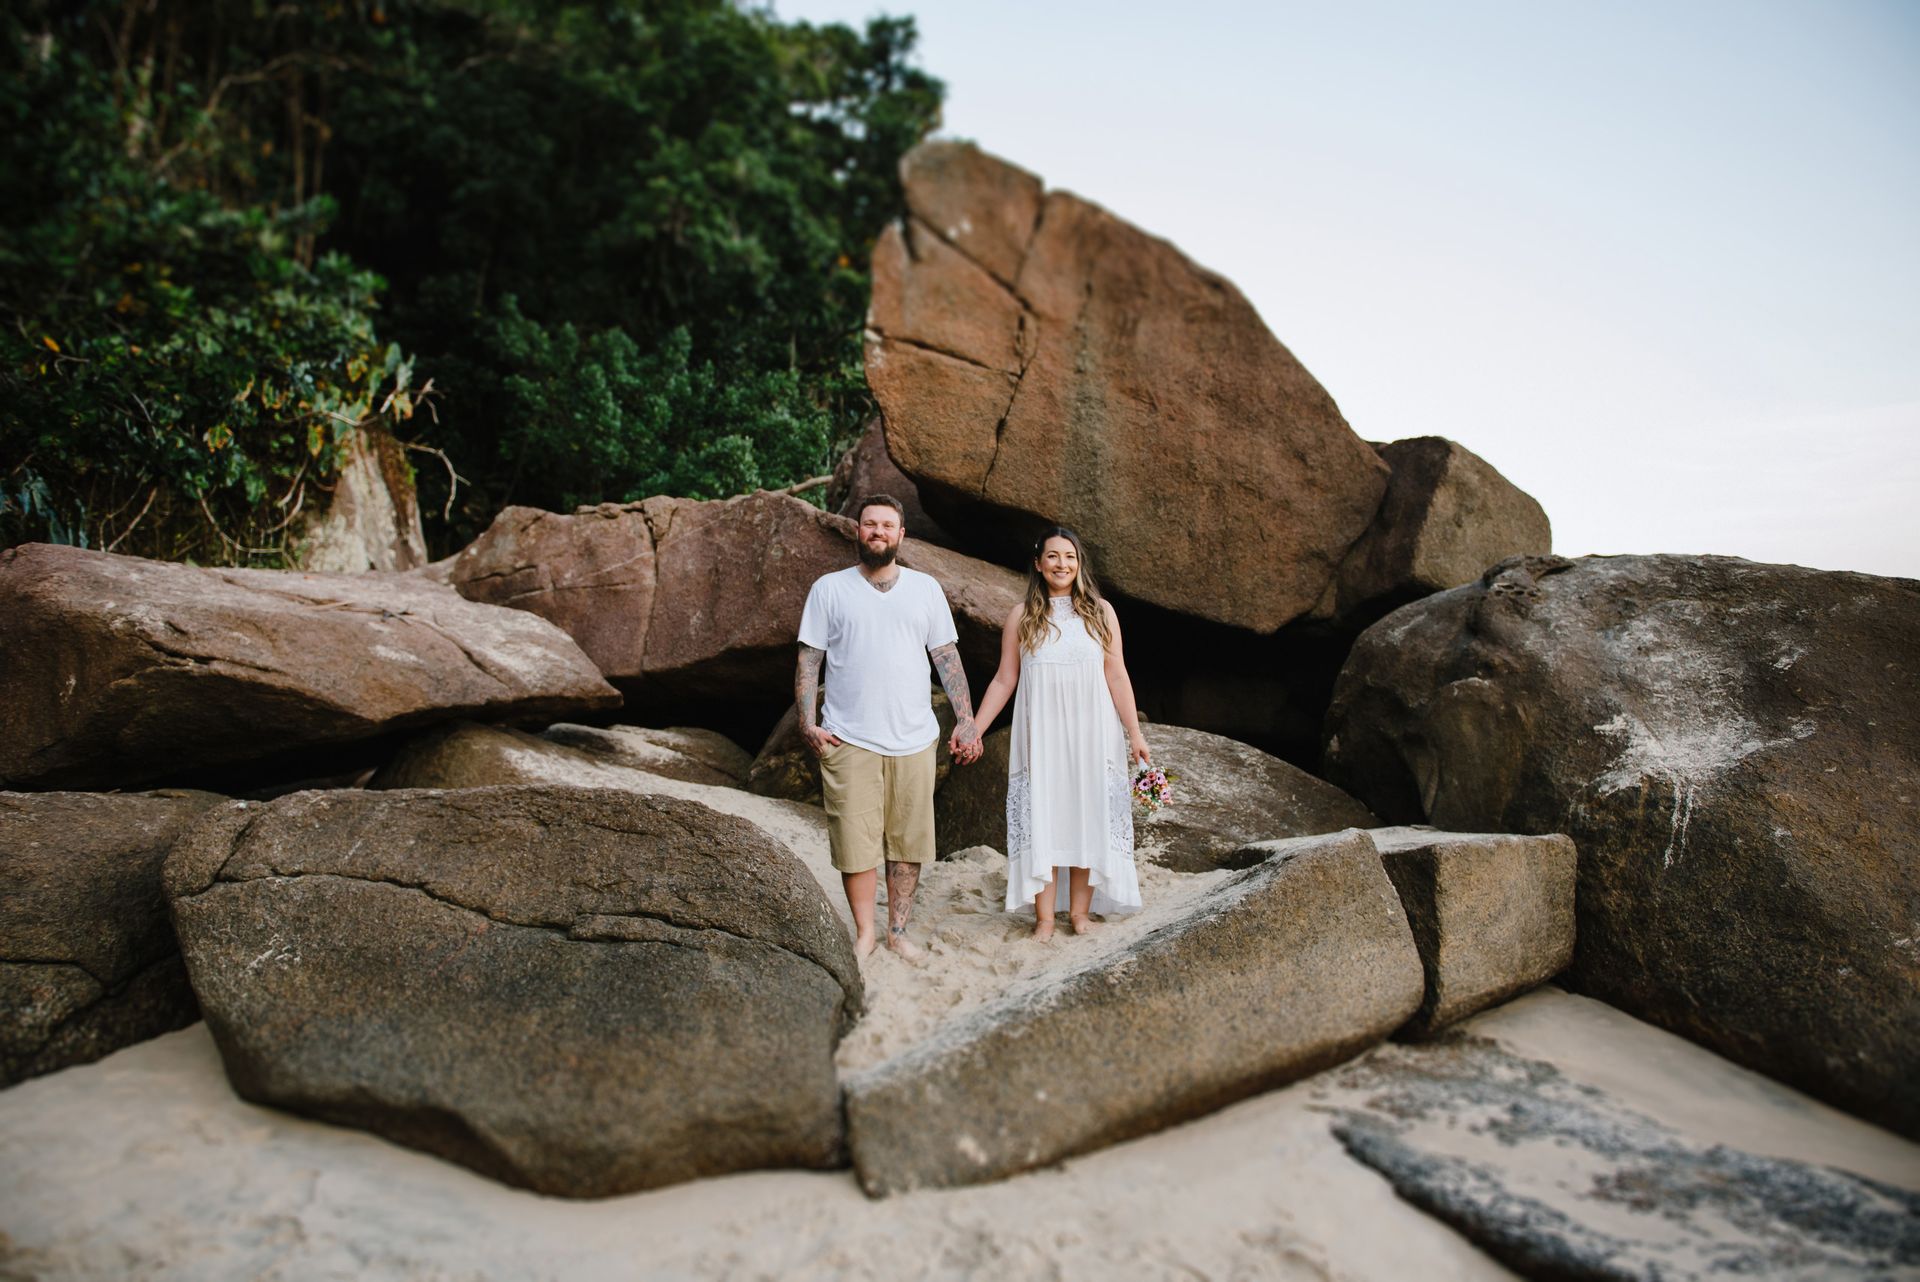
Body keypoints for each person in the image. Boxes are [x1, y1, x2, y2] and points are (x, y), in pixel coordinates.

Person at [795, 494, 983, 959]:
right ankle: (865, 932)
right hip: (847, 736)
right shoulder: (829, 589)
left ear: (901, 534)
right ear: (857, 531)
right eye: (869, 524)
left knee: (907, 842)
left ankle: (897, 932)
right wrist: (806, 722)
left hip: (914, 737)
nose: (877, 531)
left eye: (886, 525)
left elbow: (946, 656)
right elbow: (809, 658)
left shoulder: (925, 589)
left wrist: (967, 720)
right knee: (855, 841)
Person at [970, 527, 1148, 938]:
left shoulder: (1101, 612)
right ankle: (1045, 918)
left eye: (1070, 557)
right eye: (1053, 556)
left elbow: (1116, 674)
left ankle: (1079, 914)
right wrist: (975, 729)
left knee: (1088, 814)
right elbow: (1004, 679)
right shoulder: (1021, 616)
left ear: (1079, 564)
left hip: (1093, 733)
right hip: (1043, 736)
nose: (1062, 564)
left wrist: (1135, 733)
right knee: (1045, 818)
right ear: (1038, 564)